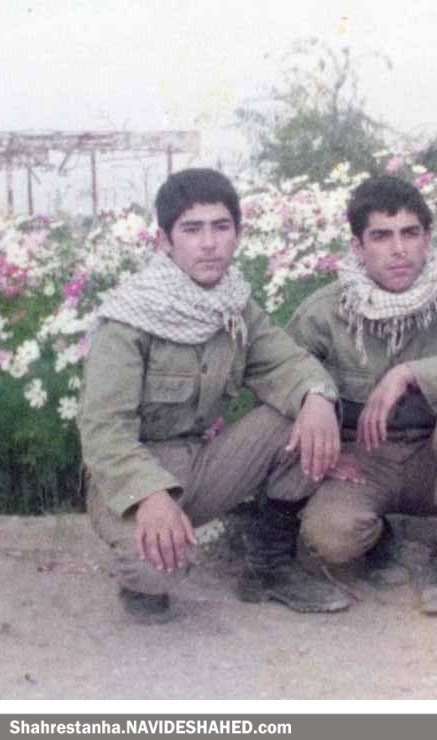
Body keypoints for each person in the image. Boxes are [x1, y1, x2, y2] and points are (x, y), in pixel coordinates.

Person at [79, 168, 350, 623]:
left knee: (306, 412)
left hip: (204, 463)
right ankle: (139, 579)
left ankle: (270, 564)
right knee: (157, 569)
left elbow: (287, 364)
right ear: (164, 241)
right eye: (191, 229)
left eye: (221, 227)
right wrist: (150, 497)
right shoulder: (129, 318)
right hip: (128, 474)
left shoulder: (233, 305)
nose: (209, 243)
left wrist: (318, 398)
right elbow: (104, 431)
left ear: (237, 235)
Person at [286, 175, 437, 614]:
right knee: (329, 537)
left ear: (427, 238)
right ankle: (377, 539)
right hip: (365, 460)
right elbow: (280, 372)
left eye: (410, 234)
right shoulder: (326, 310)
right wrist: (319, 427)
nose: (399, 250)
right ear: (358, 247)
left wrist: (411, 373)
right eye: (381, 236)